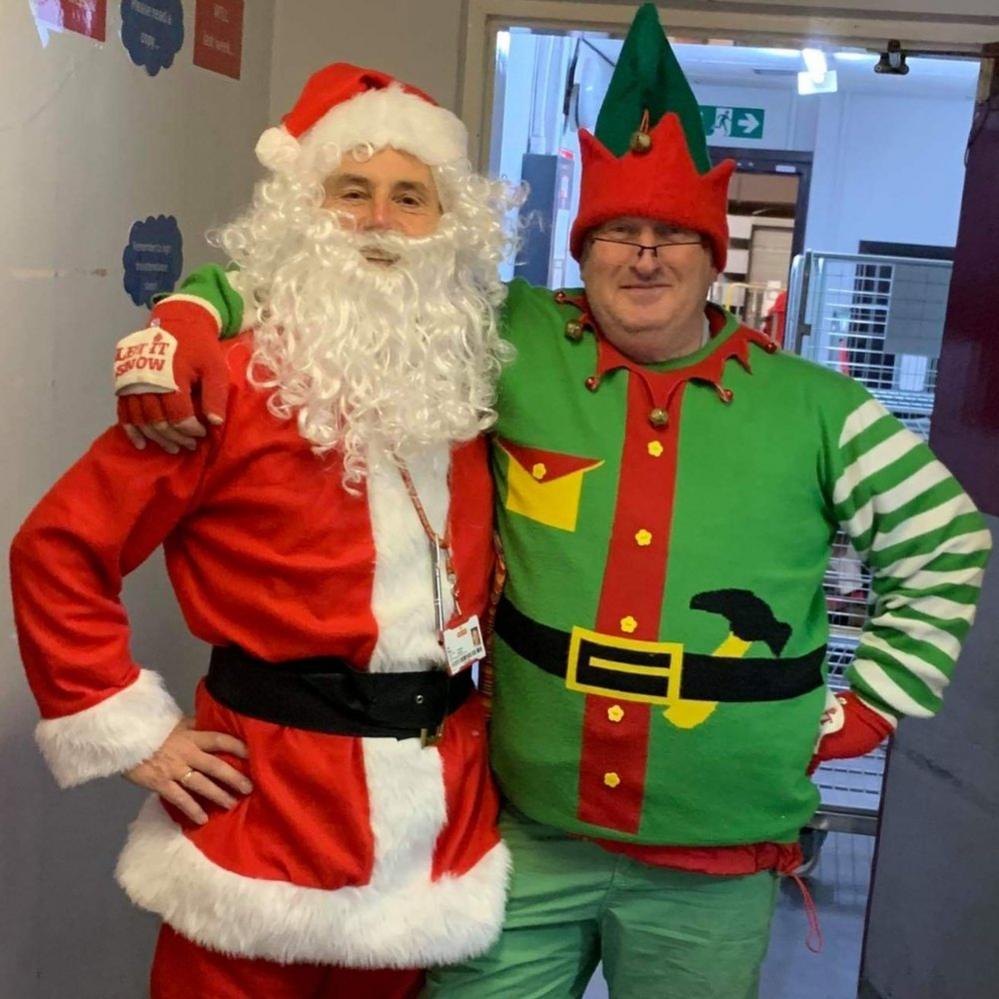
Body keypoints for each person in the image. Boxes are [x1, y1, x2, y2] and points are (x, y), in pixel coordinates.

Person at [95, 6, 992, 997]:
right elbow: (341, 268)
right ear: (583, 251)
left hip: (717, 860)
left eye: (671, 235)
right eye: (617, 233)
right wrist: (183, 313)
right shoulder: (514, 339)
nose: (643, 255)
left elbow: (947, 543)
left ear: (717, 254)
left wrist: (872, 708)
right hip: (521, 841)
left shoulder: (817, 407)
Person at [10, 64, 520, 999]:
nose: (376, 219)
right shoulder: (222, 381)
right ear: (303, 211)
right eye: (350, 190)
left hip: (432, 820)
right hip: (265, 808)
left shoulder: (472, 381)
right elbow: (58, 548)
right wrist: (132, 732)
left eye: (410, 197)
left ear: (447, 226)